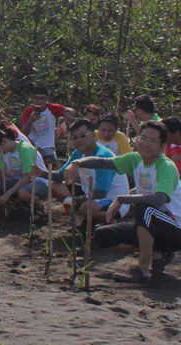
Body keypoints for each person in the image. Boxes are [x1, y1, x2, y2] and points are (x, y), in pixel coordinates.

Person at [64, 121, 181, 282]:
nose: (146, 144)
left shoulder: (165, 165)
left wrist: (122, 199)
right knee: (102, 235)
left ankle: (142, 269)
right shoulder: (135, 159)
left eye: (152, 141)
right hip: (151, 225)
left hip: (174, 227)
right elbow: (106, 163)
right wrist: (77, 163)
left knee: (145, 208)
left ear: (162, 146)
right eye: (143, 138)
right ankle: (159, 252)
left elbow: (159, 199)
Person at [51, 119, 130, 224]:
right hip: (90, 193)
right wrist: (42, 173)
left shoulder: (103, 156)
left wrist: (76, 200)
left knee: (85, 207)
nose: (79, 140)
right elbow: (61, 175)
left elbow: (101, 193)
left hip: (112, 199)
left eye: (83, 136)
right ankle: (84, 221)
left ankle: (112, 221)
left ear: (93, 136)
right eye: (75, 137)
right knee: (55, 186)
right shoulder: (78, 153)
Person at [0, 128, 48, 209]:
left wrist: (8, 193)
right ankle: (14, 204)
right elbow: (0, 172)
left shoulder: (24, 149)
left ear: (4, 141)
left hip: (37, 181)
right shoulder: (2, 154)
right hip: (18, 181)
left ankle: (38, 205)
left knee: (23, 193)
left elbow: (27, 177)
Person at [20, 85, 75, 165]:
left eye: (42, 98)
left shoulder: (52, 108)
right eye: (36, 98)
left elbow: (71, 110)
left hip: (47, 146)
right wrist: (30, 120)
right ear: (32, 99)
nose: (39, 101)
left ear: (46, 99)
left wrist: (68, 114)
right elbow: (24, 133)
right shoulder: (28, 111)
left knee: (51, 167)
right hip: (32, 146)